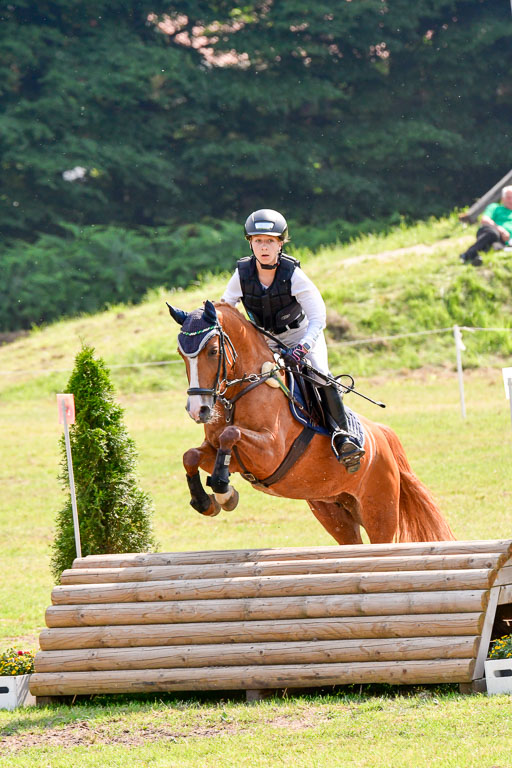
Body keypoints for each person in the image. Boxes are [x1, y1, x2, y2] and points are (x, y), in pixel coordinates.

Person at [220, 208, 365, 473]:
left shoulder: (293, 275)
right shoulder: (241, 275)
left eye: (270, 241)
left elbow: (318, 317)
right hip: (265, 340)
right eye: (258, 241)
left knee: (319, 373)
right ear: (250, 243)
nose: (264, 247)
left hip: (300, 334)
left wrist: (303, 348)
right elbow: (226, 310)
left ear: (281, 244)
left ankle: (343, 435)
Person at [460, 186, 512, 266]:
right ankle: (467, 254)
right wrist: (501, 230)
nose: (511, 200)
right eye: (509, 197)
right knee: (493, 234)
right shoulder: (494, 207)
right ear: (503, 199)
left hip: (505, 240)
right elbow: (485, 220)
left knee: (496, 246)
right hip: (489, 231)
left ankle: (477, 258)